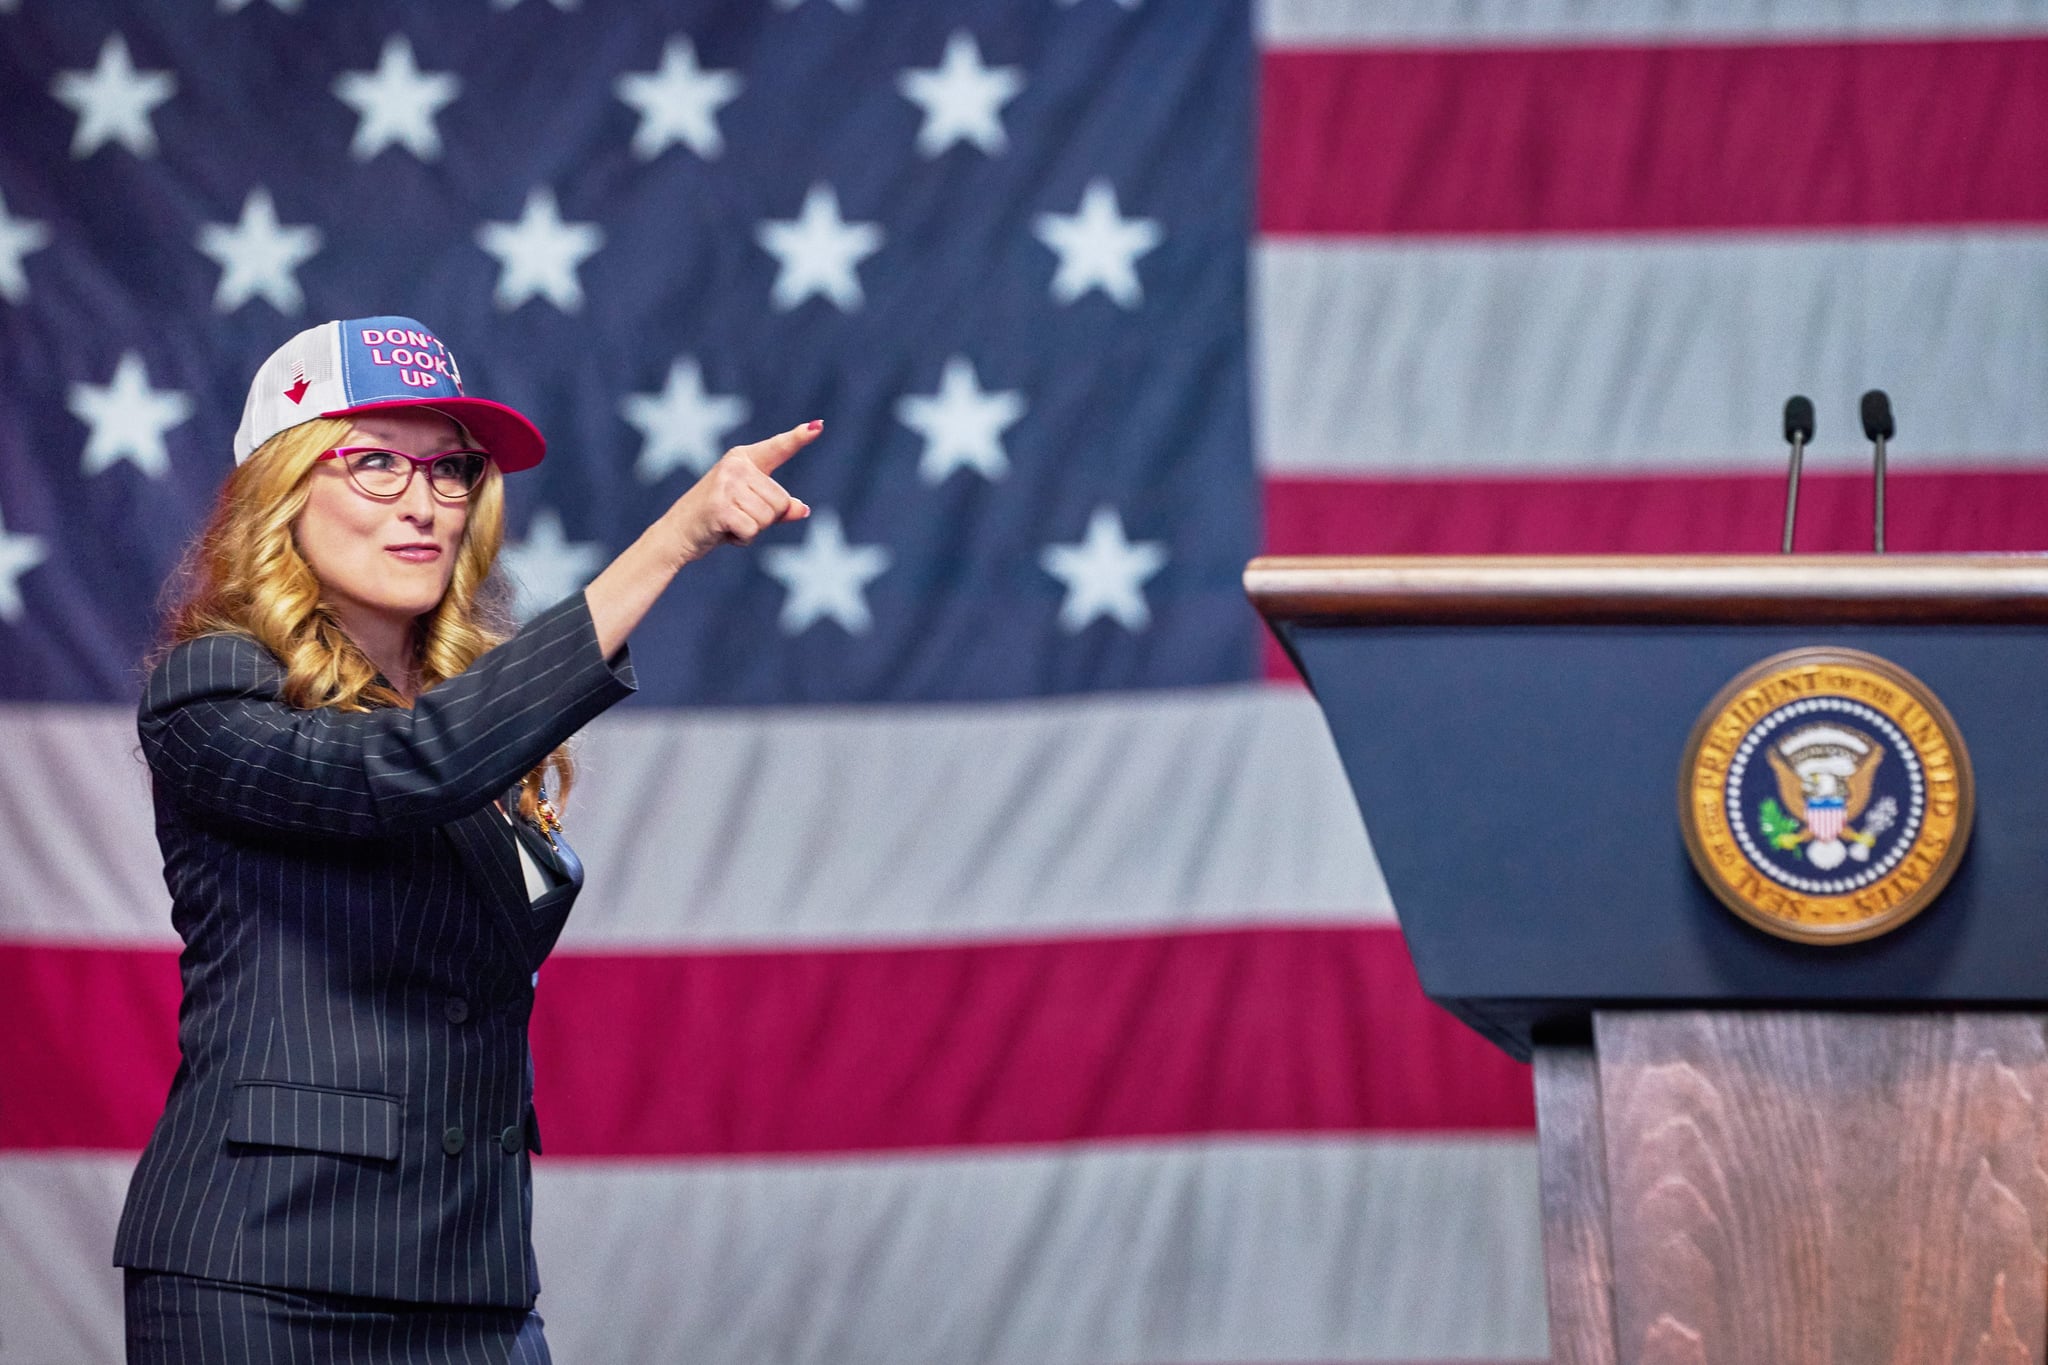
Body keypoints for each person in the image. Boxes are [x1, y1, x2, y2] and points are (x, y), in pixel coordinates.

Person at [113, 316, 816, 1362]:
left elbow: (440, 759)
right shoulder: (212, 689)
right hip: (264, 1275)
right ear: (283, 489)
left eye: (450, 470)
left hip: (471, 1278)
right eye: (373, 463)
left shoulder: (475, 713)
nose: (420, 501)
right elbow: (397, 771)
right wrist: (669, 541)